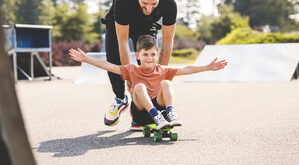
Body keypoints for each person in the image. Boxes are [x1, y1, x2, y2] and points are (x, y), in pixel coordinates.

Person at [69, 35, 228, 130]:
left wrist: (208, 67)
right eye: (145, 54)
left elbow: (186, 69)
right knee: (139, 86)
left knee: (166, 83)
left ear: (157, 55)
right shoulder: (131, 70)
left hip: (160, 108)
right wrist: (87, 59)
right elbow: (110, 66)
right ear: (138, 55)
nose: (149, 58)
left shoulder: (162, 70)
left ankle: (171, 113)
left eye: (153, 54)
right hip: (141, 113)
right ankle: (156, 116)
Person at [101, 0, 177, 127]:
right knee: (114, 59)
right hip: (118, 23)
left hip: (147, 26)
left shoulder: (169, 3)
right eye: (144, 3)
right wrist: (131, 82)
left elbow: (167, 43)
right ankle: (120, 99)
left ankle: (143, 108)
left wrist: (158, 78)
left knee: (147, 59)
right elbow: (122, 42)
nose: (149, 8)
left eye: (153, 4)